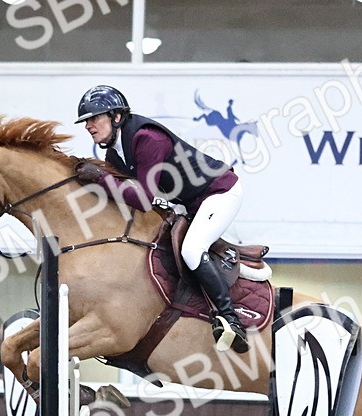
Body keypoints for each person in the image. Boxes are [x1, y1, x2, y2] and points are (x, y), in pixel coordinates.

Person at [71, 84, 250, 353]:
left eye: (95, 118)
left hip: (219, 193)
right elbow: (117, 195)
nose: (89, 126)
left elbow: (142, 199)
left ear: (117, 117)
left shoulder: (147, 139)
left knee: (192, 249)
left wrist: (99, 177)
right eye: (86, 121)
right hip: (188, 203)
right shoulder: (114, 153)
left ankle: (229, 319)